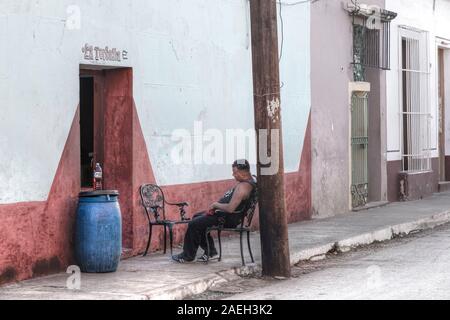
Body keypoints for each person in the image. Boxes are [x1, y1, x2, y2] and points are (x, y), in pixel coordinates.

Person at [172, 159, 257, 263]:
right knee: (197, 217)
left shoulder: (243, 187)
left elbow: (230, 208)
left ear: (243, 172)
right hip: (225, 215)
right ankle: (211, 252)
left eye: (235, 172)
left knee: (194, 224)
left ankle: (187, 256)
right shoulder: (249, 181)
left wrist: (215, 205)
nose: (233, 174)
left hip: (226, 218)